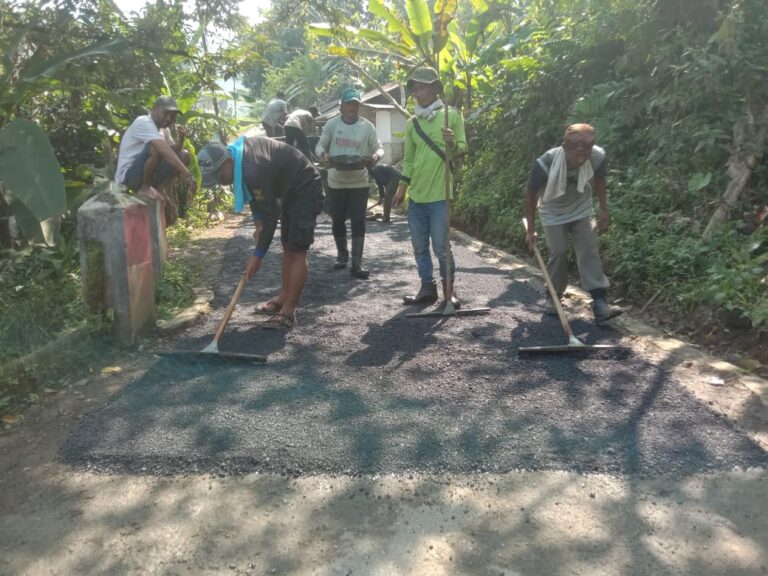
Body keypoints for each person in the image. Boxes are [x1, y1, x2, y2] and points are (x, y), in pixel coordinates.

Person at [197, 136, 324, 329]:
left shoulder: (252, 166)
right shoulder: (240, 159)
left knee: (297, 250)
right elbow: (258, 198)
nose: (221, 182)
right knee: (287, 247)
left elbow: (271, 215)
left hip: (305, 187)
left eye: (219, 176)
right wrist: (258, 226)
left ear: (228, 161)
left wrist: (258, 255)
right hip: (288, 190)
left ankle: (288, 311)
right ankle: (283, 297)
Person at [524, 123, 623, 323]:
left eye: (584, 156)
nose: (580, 160)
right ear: (565, 148)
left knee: (588, 248)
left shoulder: (596, 156)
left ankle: (600, 302)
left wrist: (603, 209)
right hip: (552, 210)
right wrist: (531, 230)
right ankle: (553, 296)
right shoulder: (547, 162)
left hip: (581, 206)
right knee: (558, 251)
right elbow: (531, 194)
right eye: (575, 156)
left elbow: (600, 180)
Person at [393, 67, 467, 309]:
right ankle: (427, 287)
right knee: (419, 246)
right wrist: (403, 187)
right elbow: (410, 159)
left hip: (440, 195)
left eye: (423, 87)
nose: (417, 92)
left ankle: (449, 291)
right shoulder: (412, 123)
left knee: (441, 246)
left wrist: (451, 142)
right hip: (418, 196)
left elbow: (462, 150)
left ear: (435, 89)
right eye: (415, 88)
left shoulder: (451, 116)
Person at [316, 88, 384, 279]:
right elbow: (320, 145)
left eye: (355, 104)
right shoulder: (331, 125)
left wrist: (376, 156)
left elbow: (378, 147)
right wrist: (323, 154)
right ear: (341, 106)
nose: (351, 108)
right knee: (337, 219)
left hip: (359, 182)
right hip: (336, 181)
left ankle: (357, 263)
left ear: (359, 106)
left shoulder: (367, 127)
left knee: (358, 221)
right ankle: (341, 255)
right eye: (348, 104)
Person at [114, 96, 196, 193]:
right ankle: (145, 187)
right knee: (155, 147)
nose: (169, 118)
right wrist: (186, 173)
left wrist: (181, 140)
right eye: (165, 113)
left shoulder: (164, 130)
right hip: (128, 177)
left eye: (173, 116)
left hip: (147, 174)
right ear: (154, 110)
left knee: (184, 155)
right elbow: (162, 148)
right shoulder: (143, 121)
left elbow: (173, 151)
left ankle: (159, 189)